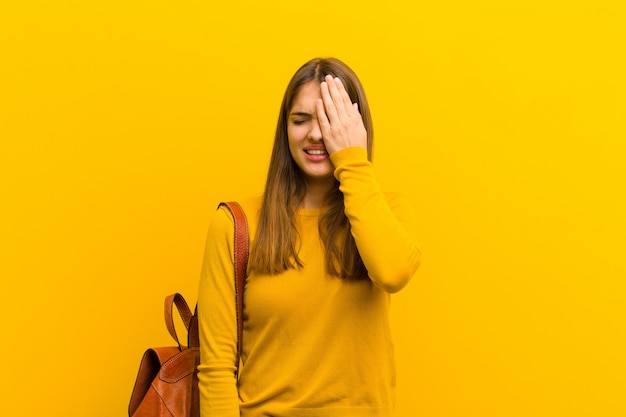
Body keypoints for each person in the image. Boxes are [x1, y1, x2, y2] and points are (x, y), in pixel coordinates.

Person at [197, 57, 421, 417]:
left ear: (354, 127)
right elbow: (216, 368)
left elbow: (393, 272)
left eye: (331, 120)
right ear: (284, 128)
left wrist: (352, 160)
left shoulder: (387, 212)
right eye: (301, 120)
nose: (316, 134)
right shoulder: (235, 224)